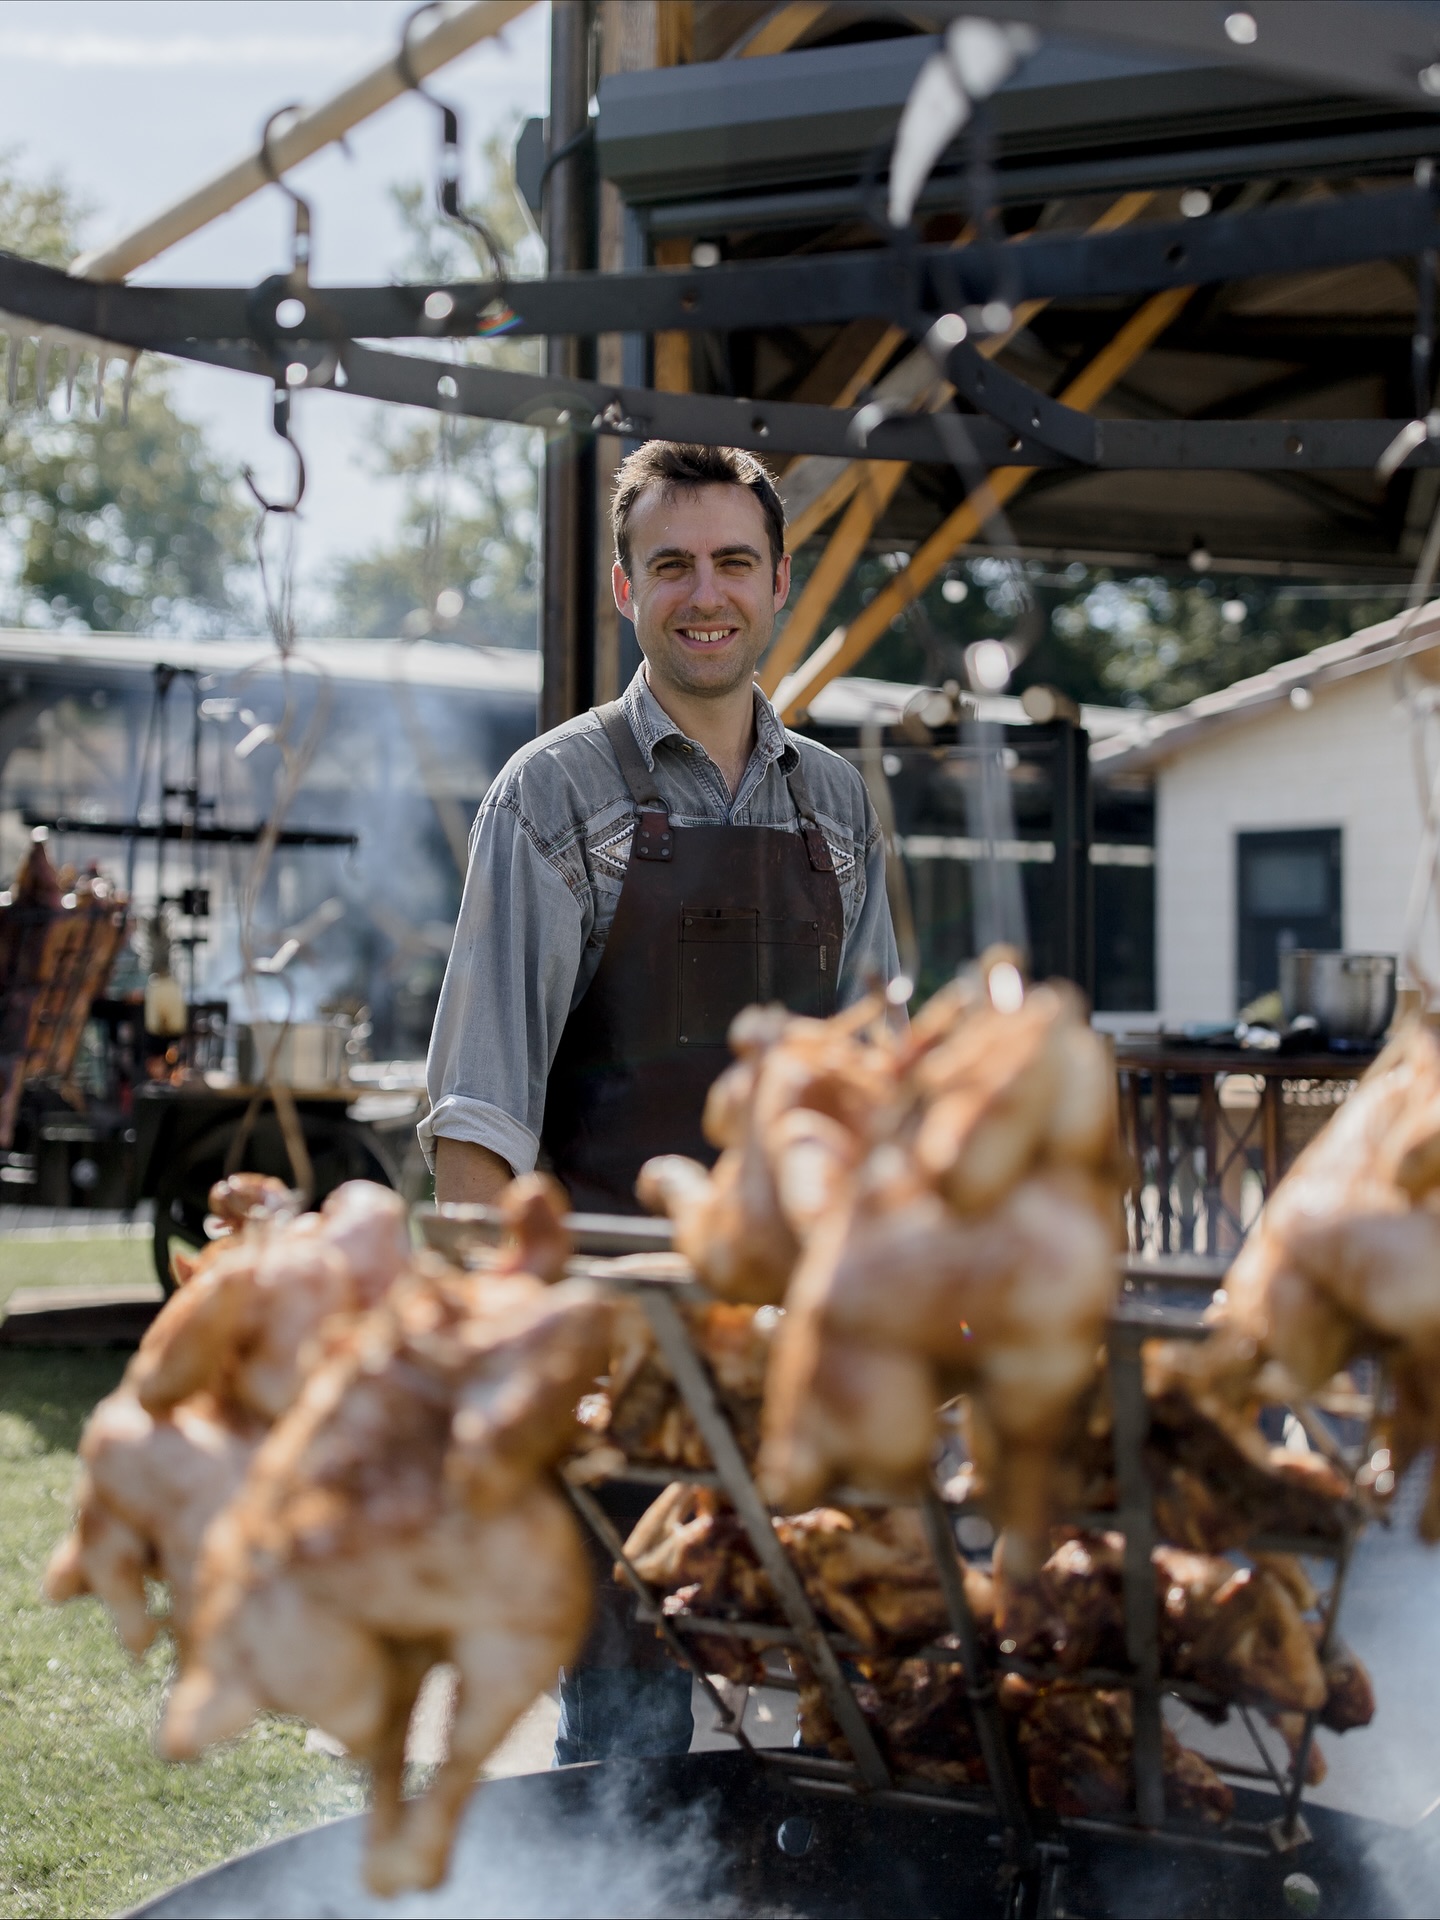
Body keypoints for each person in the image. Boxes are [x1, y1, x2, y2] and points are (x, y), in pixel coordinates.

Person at [423, 439, 899, 1765]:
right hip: (611, 1355)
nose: (707, 593)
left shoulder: (843, 808)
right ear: (627, 591)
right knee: (628, 1732)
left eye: (734, 562)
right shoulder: (555, 794)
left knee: (846, 1707)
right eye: (673, 563)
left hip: (794, 1354)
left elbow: (872, 1097)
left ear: (779, 582)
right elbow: (479, 1123)